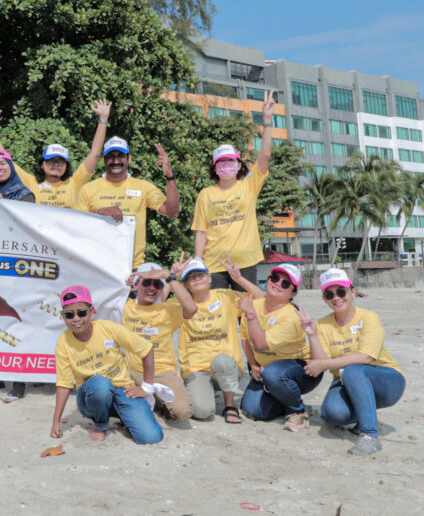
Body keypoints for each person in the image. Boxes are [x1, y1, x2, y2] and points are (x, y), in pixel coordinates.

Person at [301, 268, 406, 456]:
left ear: (353, 292)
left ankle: (369, 435)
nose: (336, 298)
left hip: (386, 379)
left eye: (341, 292)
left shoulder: (368, 317)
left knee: (353, 370)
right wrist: (312, 335)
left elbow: (366, 357)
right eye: (329, 294)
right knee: (332, 413)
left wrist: (324, 365)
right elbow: (320, 361)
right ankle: (365, 414)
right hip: (345, 383)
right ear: (324, 299)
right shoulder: (323, 324)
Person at [50, 285, 163, 444]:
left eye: (81, 312)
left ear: (91, 311)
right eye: (69, 314)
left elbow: (146, 349)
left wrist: (146, 387)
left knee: (151, 437)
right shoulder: (63, 343)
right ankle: (100, 425)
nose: (76, 318)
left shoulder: (108, 328)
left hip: (122, 390)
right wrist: (56, 421)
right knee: (100, 383)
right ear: (63, 316)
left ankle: (123, 413)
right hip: (91, 396)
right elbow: (64, 384)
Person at [224, 260, 322, 430]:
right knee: (251, 410)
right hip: (268, 370)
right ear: (268, 279)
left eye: (285, 283)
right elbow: (246, 339)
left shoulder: (291, 316)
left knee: (274, 373)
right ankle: (284, 399)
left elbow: (260, 344)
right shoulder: (254, 304)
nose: (278, 284)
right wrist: (253, 365)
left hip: (301, 370)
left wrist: (250, 314)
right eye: (275, 278)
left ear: (293, 292)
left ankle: (298, 411)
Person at [192, 91, 275, 291]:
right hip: (214, 263)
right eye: (221, 162)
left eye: (230, 161)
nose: (226, 166)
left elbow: (265, 156)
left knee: (246, 307)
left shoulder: (249, 186)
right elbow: (201, 232)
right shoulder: (206, 194)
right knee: (217, 308)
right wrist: (197, 261)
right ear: (214, 169)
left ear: (238, 166)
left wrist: (266, 121)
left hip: (245, 262)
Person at [0, 100, 111, 208]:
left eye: (60, 161)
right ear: (42, 164)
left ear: (66, 166)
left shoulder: (75, 182)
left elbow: (95, 154)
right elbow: (2, 156)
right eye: (51, 160)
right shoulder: (30, 182)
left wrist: (103, 119)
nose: (55, 165)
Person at [74, 136, 178, 268]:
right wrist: (100, 213)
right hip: (99, 266)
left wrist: (169, 175)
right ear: (103, 160)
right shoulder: (88, 189)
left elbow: (172, 211)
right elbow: (76, 227)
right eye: (111, 156)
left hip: (133, 268)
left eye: (120, 156)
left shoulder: (143, 187)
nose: (116, 161)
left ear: (129, 159)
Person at [120, 257, 196, 422]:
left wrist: (170, 277)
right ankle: (150, 397)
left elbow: (191, 308)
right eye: (147, 282)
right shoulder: (126, 306)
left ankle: (157, 398)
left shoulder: (168, 309)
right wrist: (125, 284)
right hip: (133, 372)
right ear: (137, 285)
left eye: (157, 284)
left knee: (182, 413)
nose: (151, 288)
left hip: (163, 373)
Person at [0, 148, 32, 400]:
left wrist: (3, 202)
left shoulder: (25, 194)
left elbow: (27, 224)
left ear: (11, 167)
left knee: (17, 323)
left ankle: (19, 383)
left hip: (20, 269)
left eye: (3, 163)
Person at [175, 257, 245, 423]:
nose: (197, 279)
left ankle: (230, 405)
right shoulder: (180, 304)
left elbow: (261, 299)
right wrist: (172, 278)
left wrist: (239, 279)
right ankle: (207, 389)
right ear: (186, 285)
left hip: (226, 366)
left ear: (210, 278)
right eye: (191, 277)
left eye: (201, 274)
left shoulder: (226, 296)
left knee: (222, 361)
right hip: (197, 368)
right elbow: (157, 305)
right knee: (202, 412)